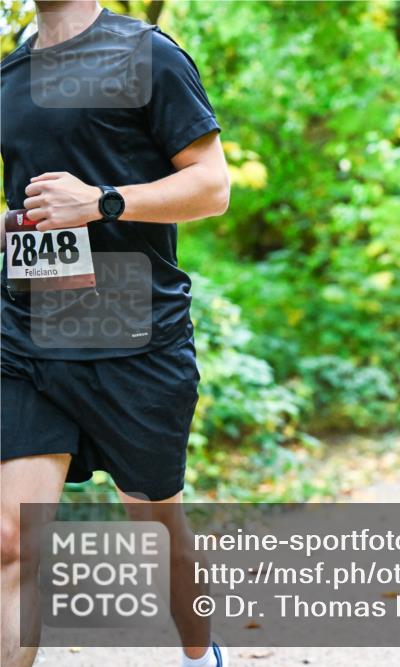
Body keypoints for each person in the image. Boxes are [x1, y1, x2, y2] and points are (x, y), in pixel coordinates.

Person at [1, 4, 230, 666]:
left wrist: (103, 201)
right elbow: (25, 205)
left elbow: (213, 186)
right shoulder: (11, 74)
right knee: (11, 539)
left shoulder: (146, 54)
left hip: (136, 338)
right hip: (28, 335)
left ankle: (200, 654)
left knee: (159, 533)